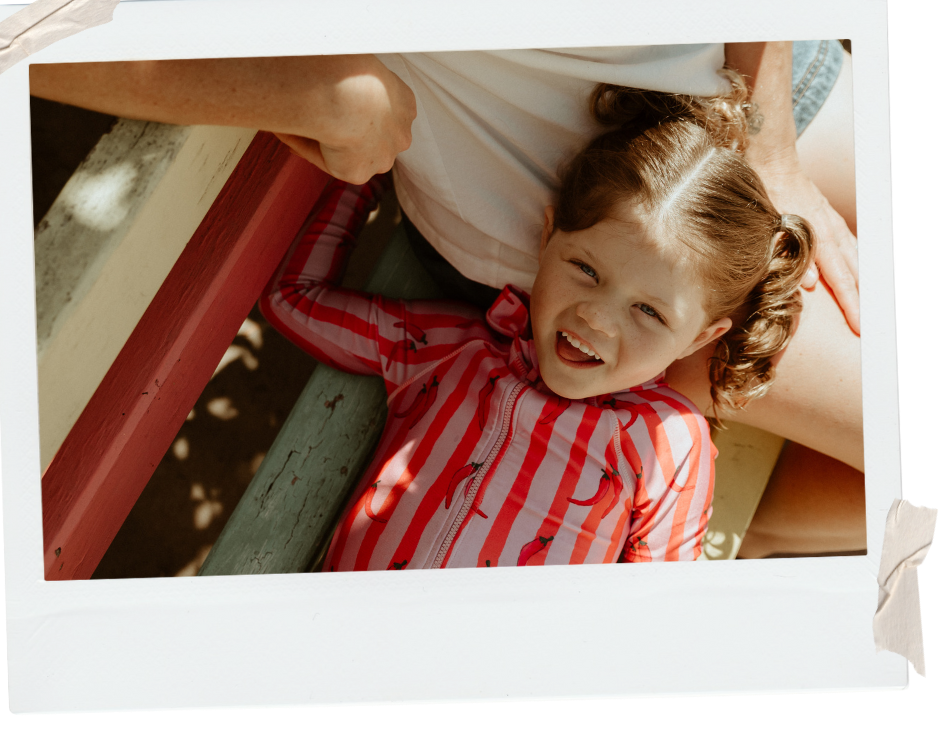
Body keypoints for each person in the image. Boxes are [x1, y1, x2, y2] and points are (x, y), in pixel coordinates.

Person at [30, 39, 864, 555]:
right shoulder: (606, 323)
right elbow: (7, 35)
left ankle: (751, 534)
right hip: (588, 238)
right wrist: (313, 96)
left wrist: (774, 142)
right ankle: (758, 533)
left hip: (741, 97)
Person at [259, 76, 815, 569]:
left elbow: (655, 620)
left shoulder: (668, 442)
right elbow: (294, 301)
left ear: (700, 338)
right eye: (585, 268)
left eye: (648, 310)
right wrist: (373, 170)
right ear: (547, 237)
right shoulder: (446, 349)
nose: (594, 316)